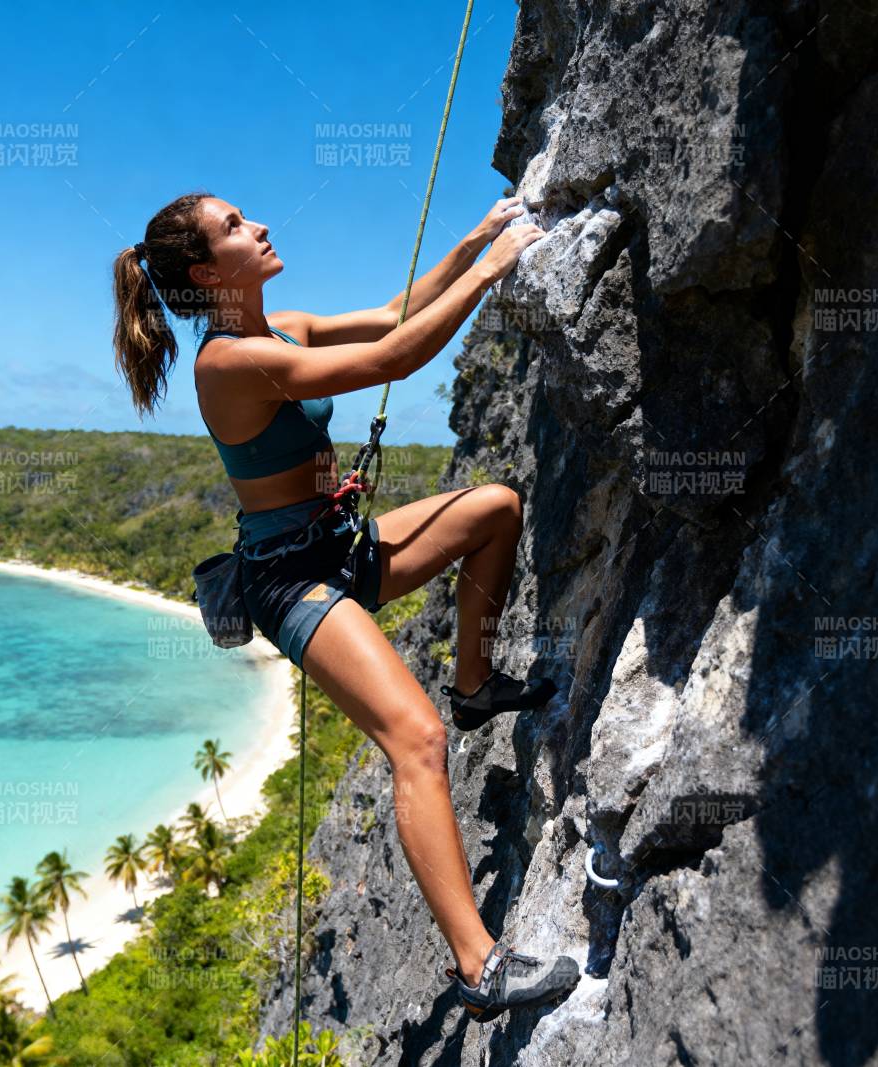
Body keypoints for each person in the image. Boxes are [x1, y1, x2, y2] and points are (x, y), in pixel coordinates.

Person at [111, 191, 580, 1021]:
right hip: (293, 583)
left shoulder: (280, 325)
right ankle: (481, 966)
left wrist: (474, 240)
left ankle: (474, 685)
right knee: (415, 739)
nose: (258, 226)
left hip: (338, 548)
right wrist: (500, 268)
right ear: (204, 271)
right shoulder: (225, 361)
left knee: (496, 509)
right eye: (234, 227)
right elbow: (397, 356)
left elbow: (397, 310)